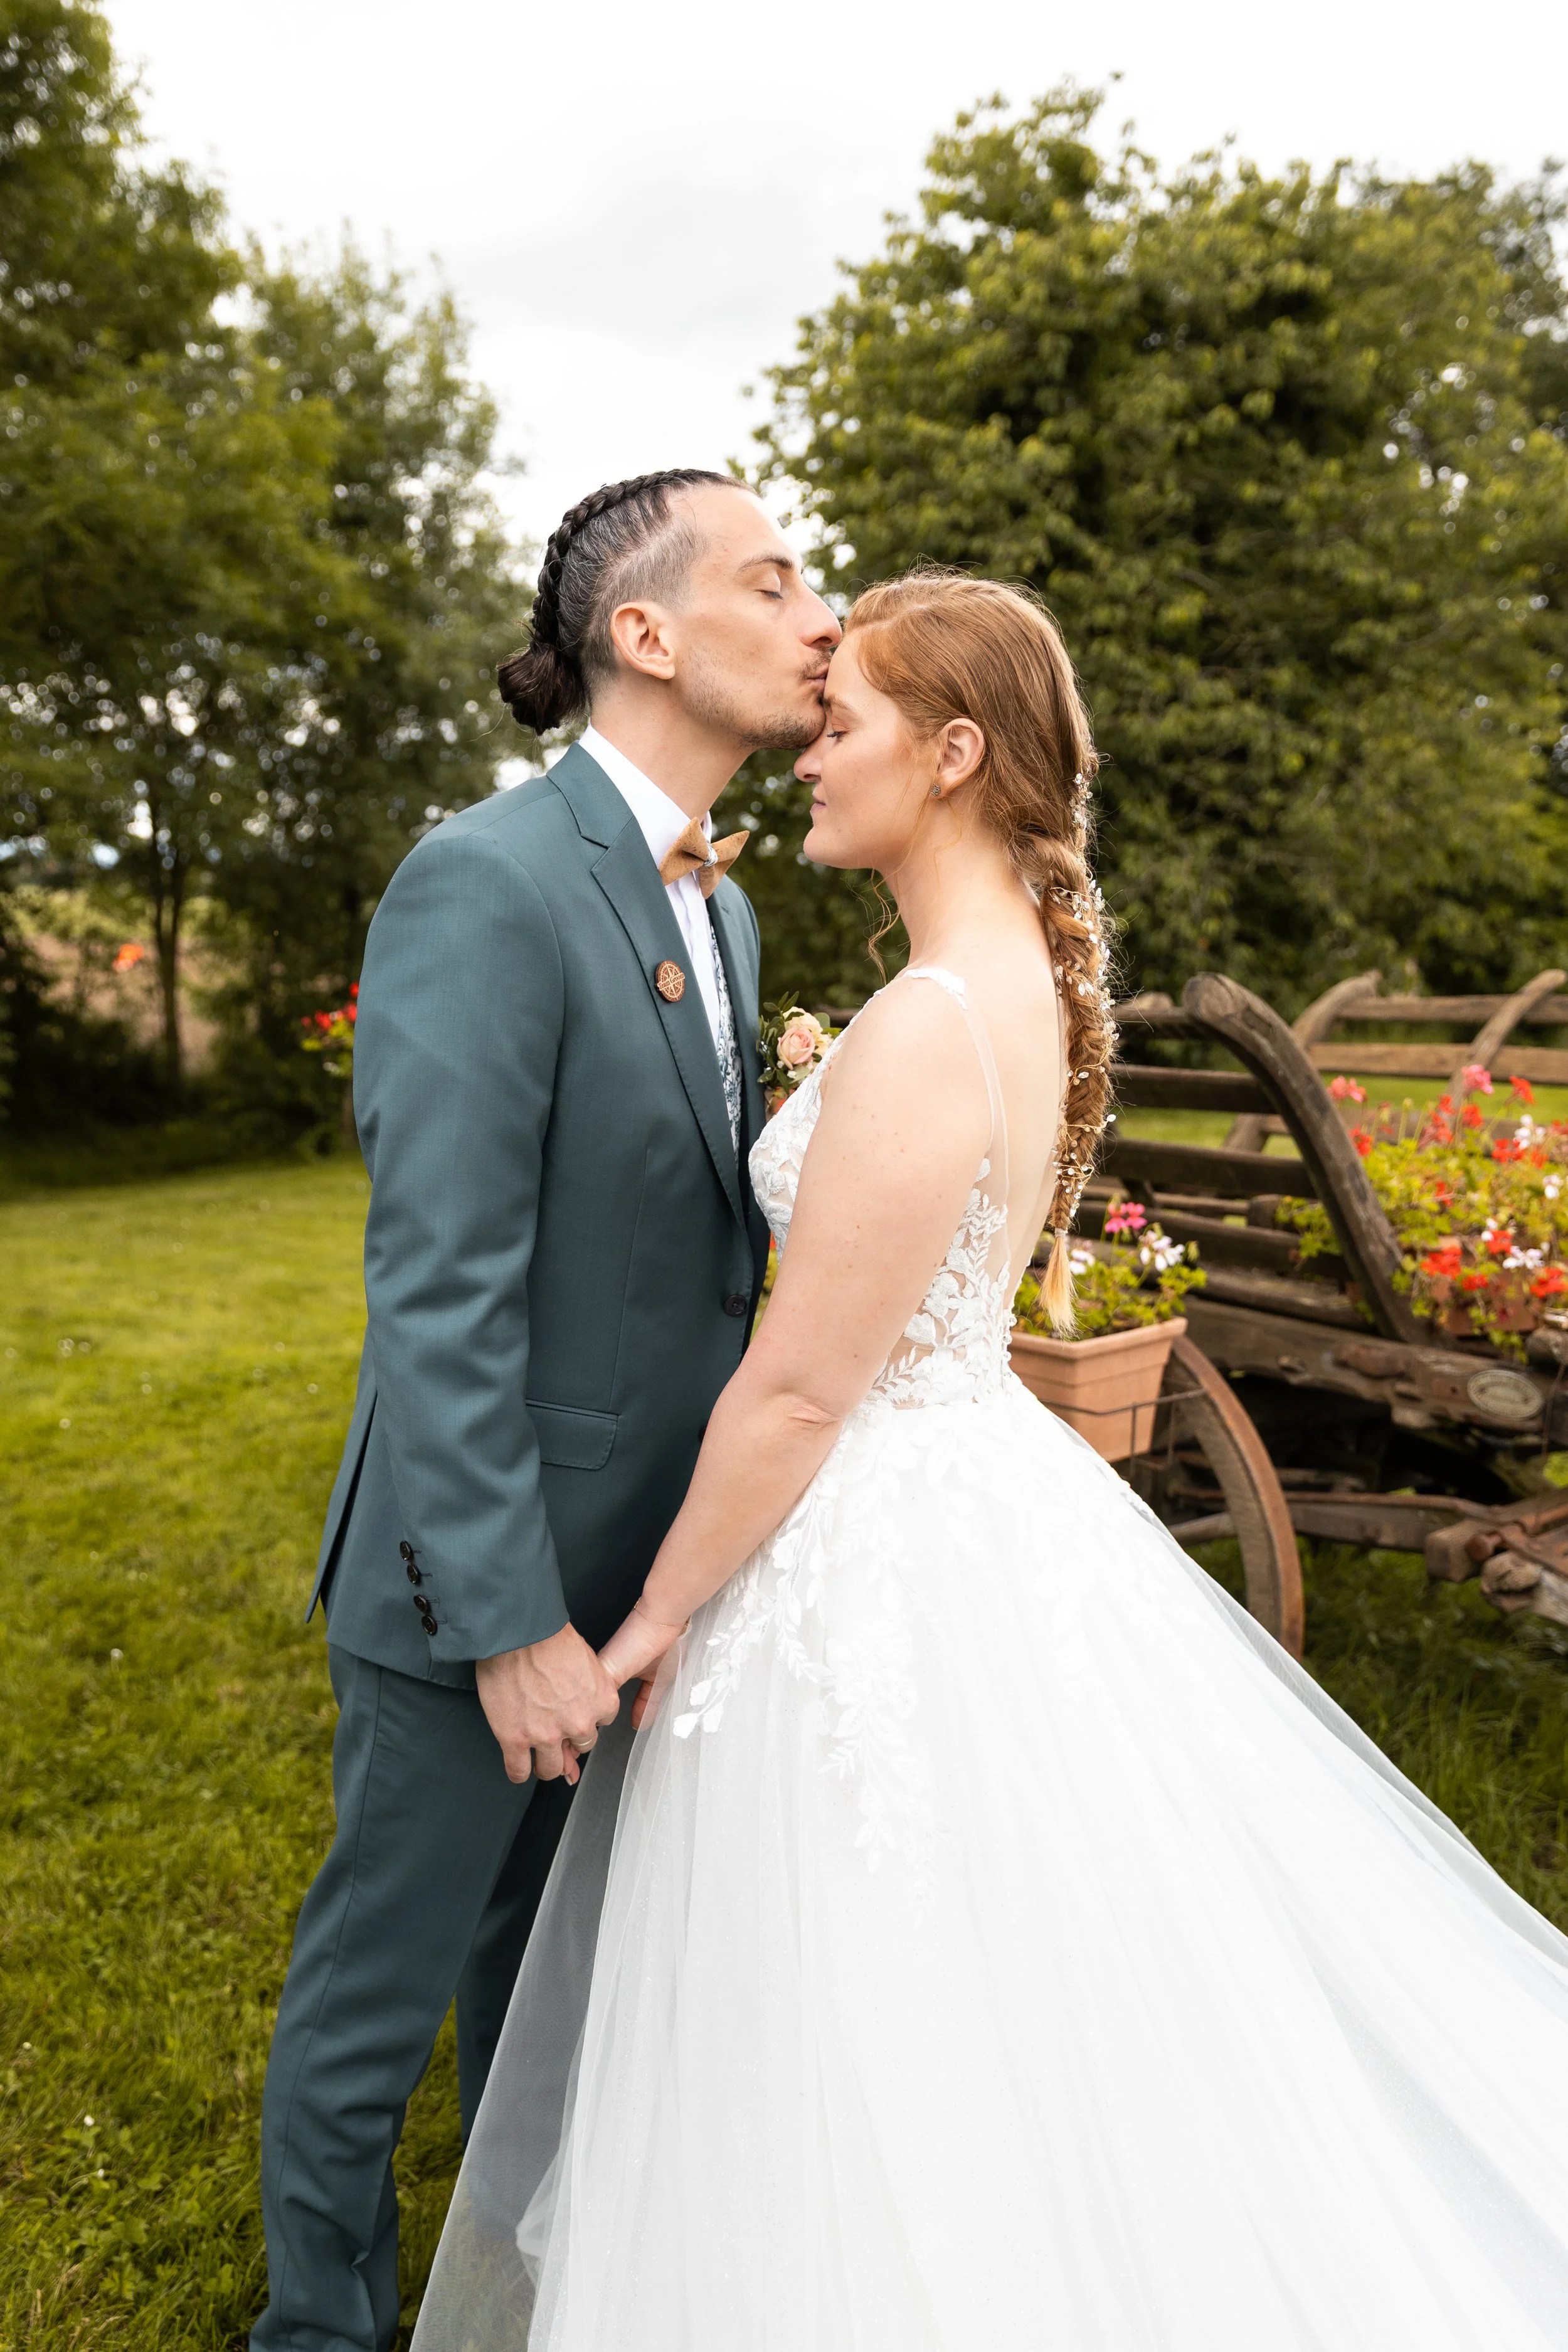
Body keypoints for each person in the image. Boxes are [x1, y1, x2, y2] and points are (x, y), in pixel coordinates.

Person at [412, 571, 1568, 2352]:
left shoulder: (925, 1021)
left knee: (873, 1976)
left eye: (845, 721)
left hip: (876, 1533)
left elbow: (799, 1392)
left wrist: (645, 1620)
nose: (809, 749)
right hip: (977, 1499)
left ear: (951, 754)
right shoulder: (994, 988)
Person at [250, 469, 842, 2352]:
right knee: (381, 1981)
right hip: (473, 1589)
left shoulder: (727, 919)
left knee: (553, 1981)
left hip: (652, 1577)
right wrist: (505, 1621)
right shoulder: (483, 879)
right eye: (775, 579)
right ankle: (317, 2327)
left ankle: (509, 2297)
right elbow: (437, 1283)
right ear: (644, 634)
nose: (821, 613)